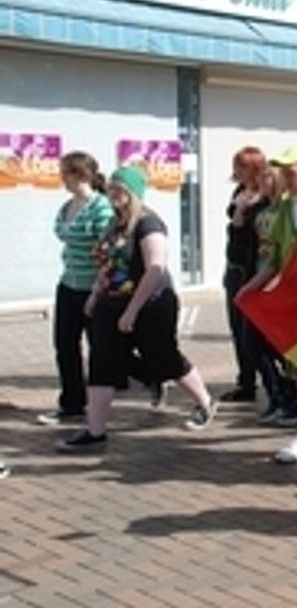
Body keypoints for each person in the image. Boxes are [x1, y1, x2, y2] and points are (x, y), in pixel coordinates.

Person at [56, 167, 217, 452]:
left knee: (163, 358)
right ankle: (95, 432)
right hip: (110, 303)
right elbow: (106, 264)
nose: (113, 195)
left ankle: (204, 402)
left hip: (151, 305)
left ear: (133, 193)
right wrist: (95, 295)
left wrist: (132, 310)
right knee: (101, 362)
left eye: (120, 190)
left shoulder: (148, 224)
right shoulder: (113, 223)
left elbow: (154, 270)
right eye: (111, 189)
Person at [239, 147, 297, 463]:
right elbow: (275, 259)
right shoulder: (284, 210)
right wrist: (250, 288)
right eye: (283, 173)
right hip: (296, 296)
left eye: (291, 172)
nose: (286, 179)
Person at [39, 152, 113, 426]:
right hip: (68, 284)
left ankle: (152, 376)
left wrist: (97, 290)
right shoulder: (67, 206)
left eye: (65, 174)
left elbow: (108, 252)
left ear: (78, 175)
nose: (62, 179)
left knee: (103, 349)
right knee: (65, 346)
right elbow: (63, 233)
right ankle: (72, 404)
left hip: (92, 287)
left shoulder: (101, 207)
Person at [247, 166, 297, 427]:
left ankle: (292, 398)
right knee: (254, 344)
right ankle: (276, 394)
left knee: (278, 345)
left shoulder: (289, 211)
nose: (262, 180)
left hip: (280, 284)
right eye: (261, 176)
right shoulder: (261, 211)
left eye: (268, 176)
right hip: (259, 278)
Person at [221, 147, 268, 403]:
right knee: (237, 327)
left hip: (254, 268)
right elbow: (235, 223)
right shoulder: (240, 192)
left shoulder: (265, 197)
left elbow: (242, 225)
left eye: (241, 166)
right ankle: (246, 381)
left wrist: (242, 210)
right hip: (235, 264)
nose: (236, 171)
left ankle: (276, 381)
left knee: (254, 330)